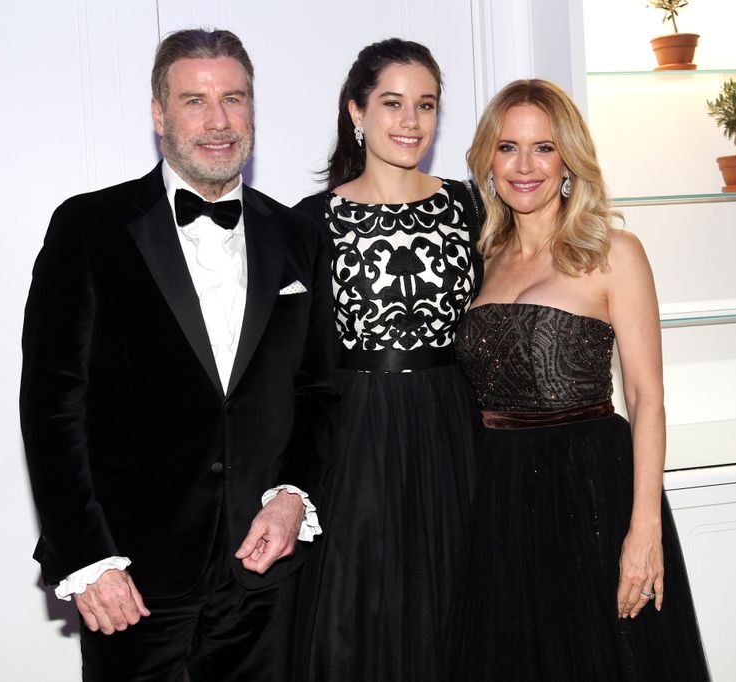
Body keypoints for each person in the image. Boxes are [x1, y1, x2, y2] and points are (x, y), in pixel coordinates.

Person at [19, 28, 336, 682]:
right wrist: (89, 559)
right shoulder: (88, 229)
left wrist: (293, 495)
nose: (218, 121)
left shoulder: (299, 235)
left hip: (264, 578)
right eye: (195, 101)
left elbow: (318, 391)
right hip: (131, 582)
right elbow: (52, 409)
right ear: (159, 114)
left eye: (234, 99)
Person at [447, 79, 710, 680]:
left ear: (568, 158)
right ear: (489, 157)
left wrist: (643, 529)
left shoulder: (614, 251)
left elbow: (646, 397)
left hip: (591, 488)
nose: (524, 165)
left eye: (543, 147)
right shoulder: (484, 257)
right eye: (508, 146)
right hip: (500, 496)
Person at [291, 38, 482, 681]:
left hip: (454, 427)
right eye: (392, 103)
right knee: (355, 613)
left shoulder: (470, 206)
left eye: (425, 105)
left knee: (458, 600)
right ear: (357, 112)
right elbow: (294, 363)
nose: (410, 121)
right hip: (354, 435)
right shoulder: (313, 220)